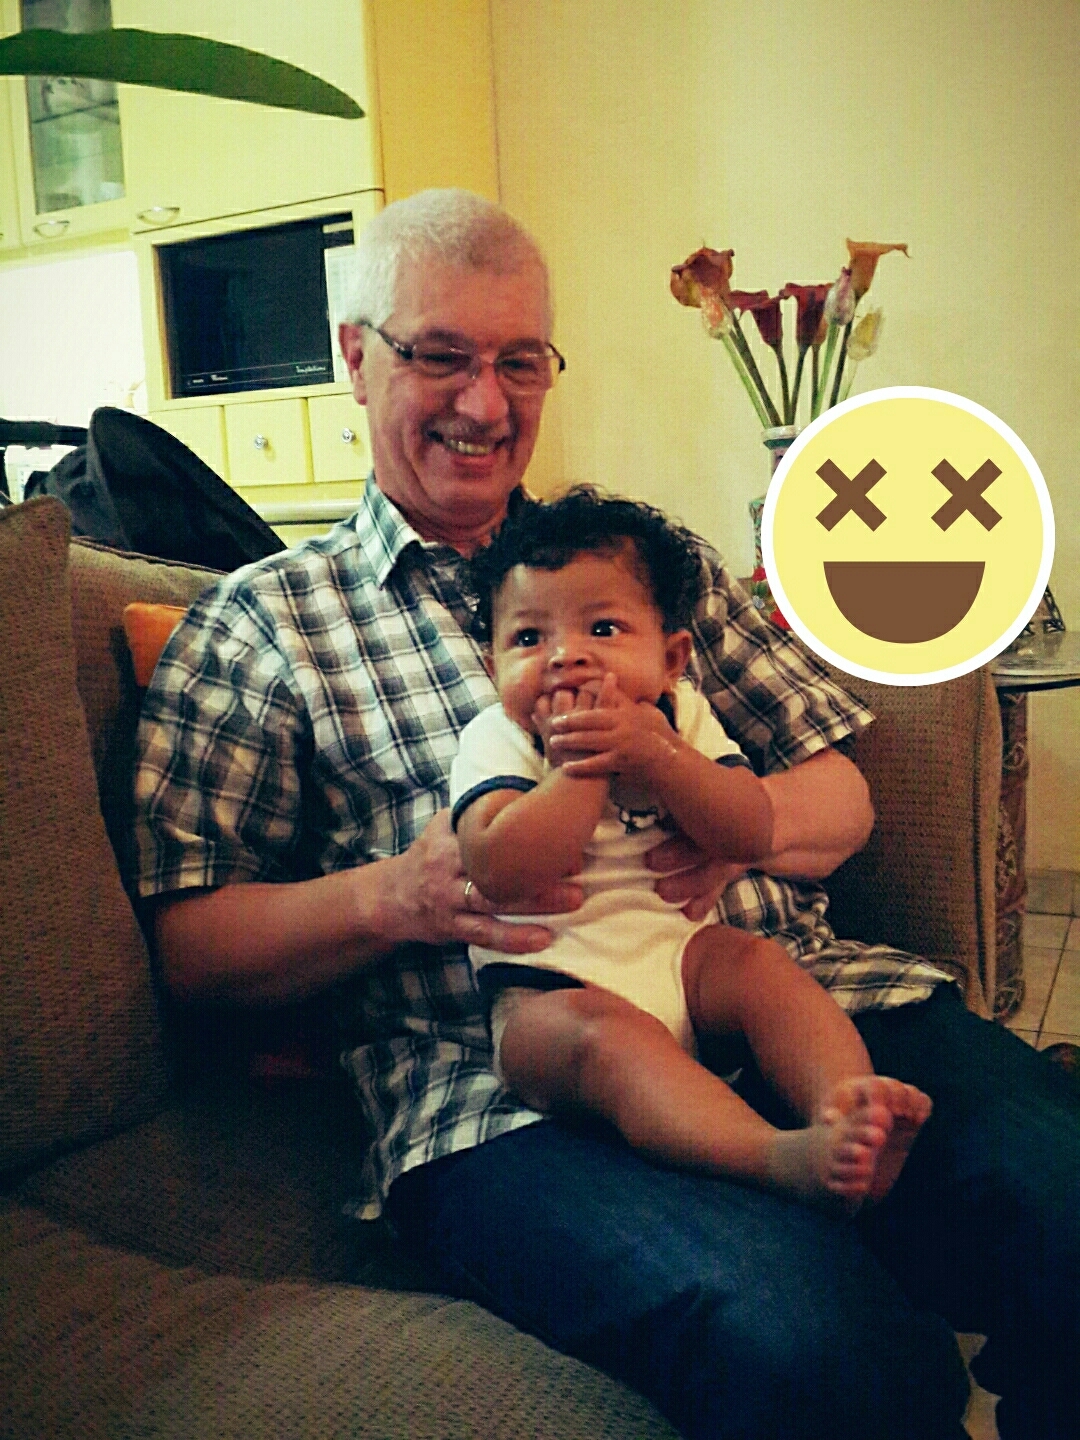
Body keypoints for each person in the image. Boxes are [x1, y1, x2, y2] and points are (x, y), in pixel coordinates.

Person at [133, 188, 1079, 1440]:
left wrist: (727, 814)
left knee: (1065, 1198)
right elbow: (190, 951)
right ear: (357, 359)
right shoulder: (261, 627)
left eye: (520, 361)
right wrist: (394, 896)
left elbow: (842, 793)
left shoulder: (644, 561)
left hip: (793, 992)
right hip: (515, 1085)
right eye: (441, 356)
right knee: (826, 1351)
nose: (485, 405)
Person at [450, 485, 933, 1209]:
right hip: (548, 993)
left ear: (671, 656)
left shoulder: (684, 721)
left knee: (761, 968)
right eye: (528, 639)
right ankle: (776, 1158)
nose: (565, 658)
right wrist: (580, 770)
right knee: (603, 1040)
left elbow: (749, 832)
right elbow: (499, 872)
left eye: (603, 629)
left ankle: (848, 1109)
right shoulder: (499, 738)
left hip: (684, 958)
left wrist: (665, 760)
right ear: (493, 668)